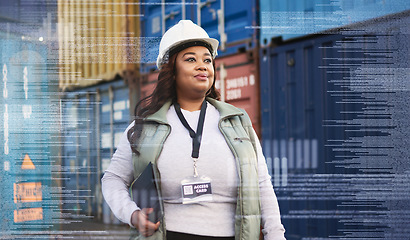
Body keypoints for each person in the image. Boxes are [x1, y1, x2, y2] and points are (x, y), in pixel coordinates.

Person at [101, 20, 286, 240]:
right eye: (191, 59)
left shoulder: (238, 122)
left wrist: (276, 235)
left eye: (207, 60)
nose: (203, 66)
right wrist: (132, 214)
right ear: (172, 70)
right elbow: (112, 179)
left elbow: (262, 184)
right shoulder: (144, 128)